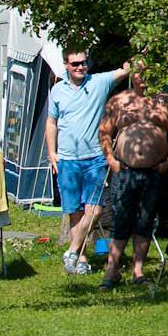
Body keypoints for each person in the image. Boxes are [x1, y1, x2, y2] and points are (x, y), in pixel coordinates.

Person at [97, 62, 168, 288]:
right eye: (139, 72)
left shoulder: (165, 102)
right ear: (132, 75)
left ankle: (138, 271)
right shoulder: (119, 100)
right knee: (120, 220)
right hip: (125, 170)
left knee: (145, 220)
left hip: (153, 171)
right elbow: (104, 131)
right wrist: (111, 160)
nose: (143, 76)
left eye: (148, 71)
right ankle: (112, 271)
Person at [44, 49, 130, 276]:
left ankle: (72, 250)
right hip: (67, 159)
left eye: (83, 63)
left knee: (96, 209)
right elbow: (51, 122)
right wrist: (52, 152)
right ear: (66, 65)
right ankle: (80, 259)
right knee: (75, 211)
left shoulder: (99, 82)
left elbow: (124, 72)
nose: (80, 67)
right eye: (75, 64)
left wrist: (133, 62)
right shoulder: (57, 90)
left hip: (95, 158)